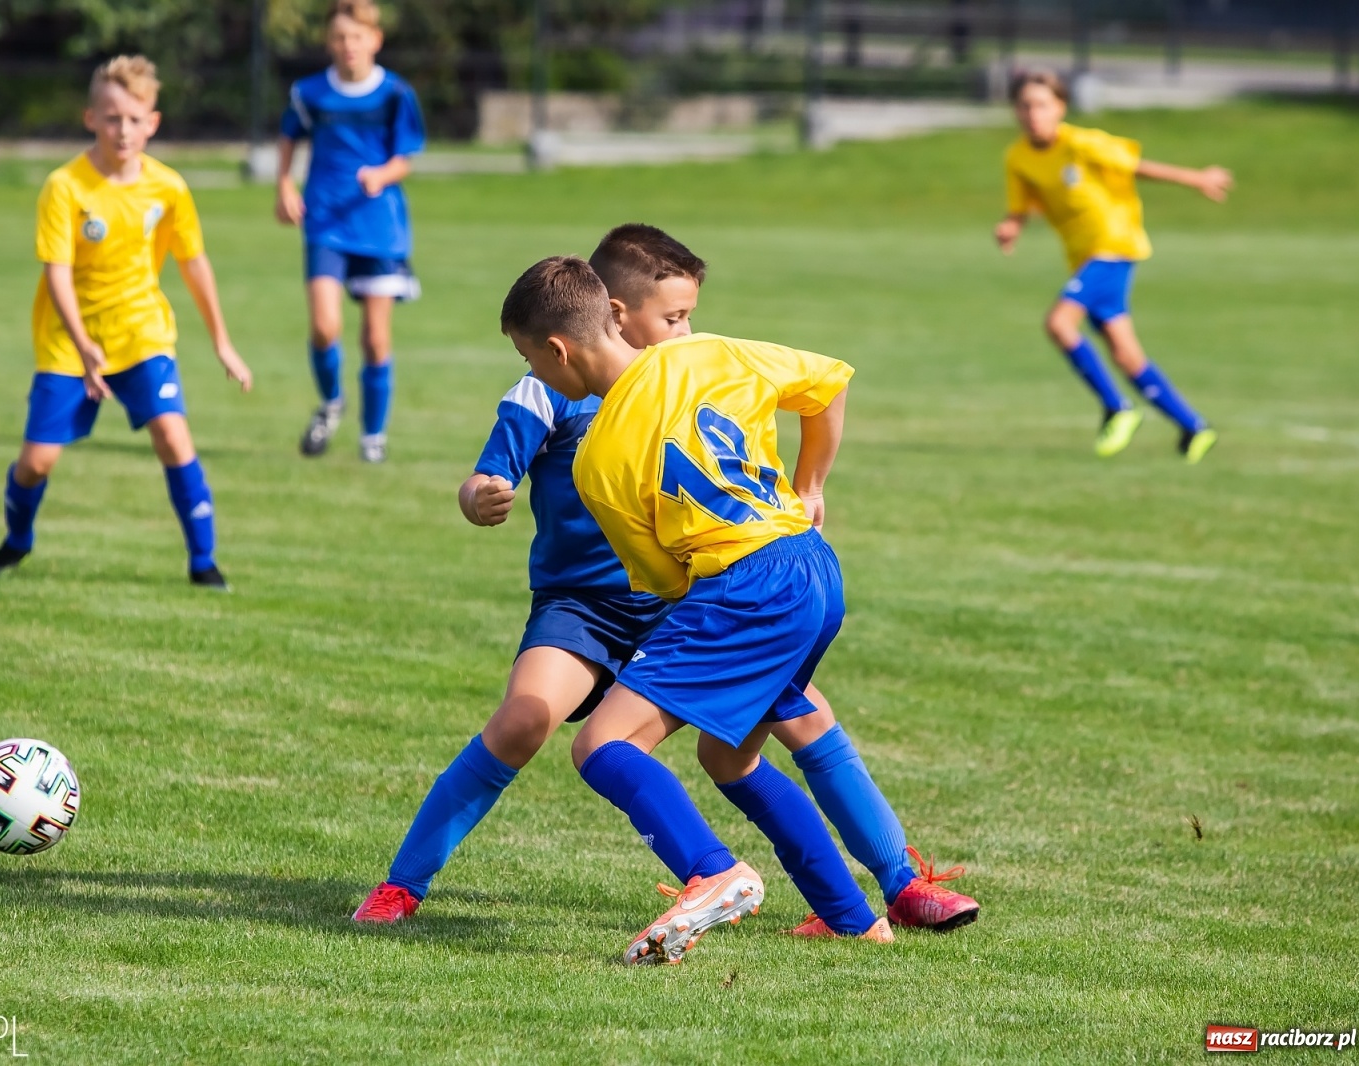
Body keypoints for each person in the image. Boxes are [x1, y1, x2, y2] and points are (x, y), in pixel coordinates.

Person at [354, 226, 978, 939]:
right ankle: (403, 884)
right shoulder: (552, 392)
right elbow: (490, 473)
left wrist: (808, 488)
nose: (686, 329)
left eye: (685, 317)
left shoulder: (676, 381)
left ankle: (885, 885)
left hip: (696, 591)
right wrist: (480, 495)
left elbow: (665, 562)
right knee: (544, 721)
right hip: (593, 606)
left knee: (766, 725)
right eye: (674, 317)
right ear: (615, 314)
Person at [498, 255, 906, 965]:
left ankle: (713, 870)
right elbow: (828, 383)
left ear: (557, 352)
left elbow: (661, 580)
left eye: (530, 359)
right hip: (812, 567)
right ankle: (854, 918)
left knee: (603, 746)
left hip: (742, 586)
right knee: (728, 752)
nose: (537, 373)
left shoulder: (597, 462)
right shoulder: (706, 353)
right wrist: (810, 485)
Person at [0, 56, 252, 589]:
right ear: (90, 119)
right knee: (36, 463)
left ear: (153, 122)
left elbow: (193, 262)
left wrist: (222, 341)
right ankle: (17, 539)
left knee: (173, 436)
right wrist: (82, 345)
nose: (122, 129)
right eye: (110, 117)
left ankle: (204, 563)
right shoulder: (65, 187)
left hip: (141, 332)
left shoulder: (168, 188)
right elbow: (57, 274)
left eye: (133, 118)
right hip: (67, 338)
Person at [998, 70, 1228, 464]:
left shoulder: (1082, 143)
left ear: (1060, 108)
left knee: (1059, 324)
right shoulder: (1018, 157)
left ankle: (1117, 407)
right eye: (1024, 106)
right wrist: (1012, 226)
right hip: (1083, 257)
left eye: (1041, 104)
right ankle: (1194, 427)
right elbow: (1023, 204)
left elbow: (1136, 167)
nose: (1032, 113)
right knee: (1125, 353)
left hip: (1114, 247)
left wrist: (1195, 178)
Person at [275, 0, 425, 464]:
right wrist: (284, 183)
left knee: (375, 339)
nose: (347, 46)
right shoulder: (311, 92)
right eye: (339, 38)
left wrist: (382, 176)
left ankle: (372, 437)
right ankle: (331, 403)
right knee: (324, 326)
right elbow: (288, 137)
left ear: (374, 41)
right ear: (329, 43)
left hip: (379, 227)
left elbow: (406, 156)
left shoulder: (395, 94)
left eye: (356, 37)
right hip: (324, 221)